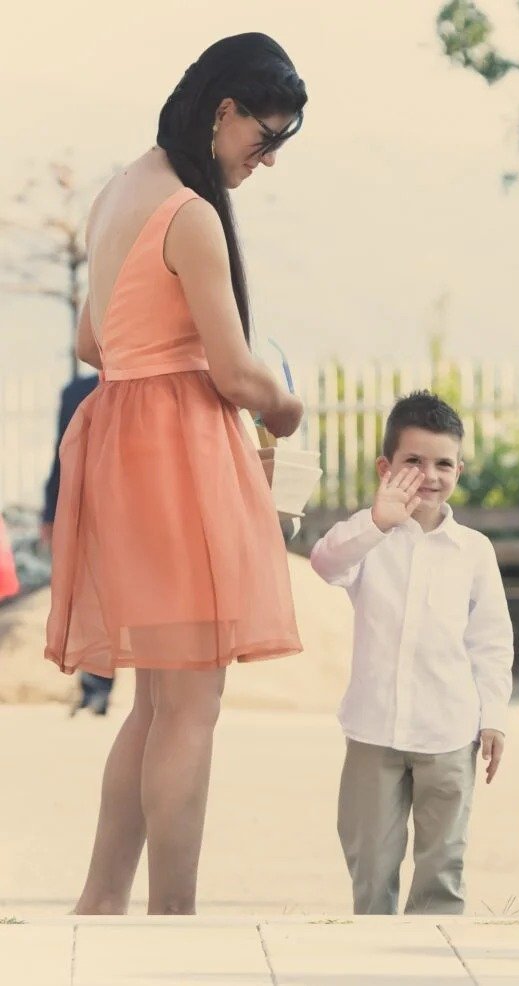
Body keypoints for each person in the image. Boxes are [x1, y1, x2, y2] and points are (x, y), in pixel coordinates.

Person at [44, 33, 307, 916]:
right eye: (265, 138)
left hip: (120, 443)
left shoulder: (122, 188)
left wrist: (156, 350)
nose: (266, 159)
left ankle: (102, 903)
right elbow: (235, 375)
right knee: (192, 707)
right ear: (224, 112)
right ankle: (174, 920)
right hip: (175, 457)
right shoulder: (191, 215)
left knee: (156, 705)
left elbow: (92, 341)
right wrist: (286, 408)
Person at [311, 391, 515, 915]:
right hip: (372, 728)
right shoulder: (366, 537)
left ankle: (433, 947)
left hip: (449, 731)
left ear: (459, 470)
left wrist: (493, 716)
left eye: (443, 463)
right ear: (386, 467)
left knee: (442, 862)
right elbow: (326, 564)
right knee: (370, 859)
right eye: (414, 461)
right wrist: (377, 522)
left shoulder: (474, 551)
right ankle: (373, 946)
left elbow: (491, 641)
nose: (429, 475)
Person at [41, 373, 114, 715]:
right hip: (94, 509)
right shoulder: (76, 392)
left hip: (124, 507)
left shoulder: (145, 383)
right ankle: (96, 688)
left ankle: (101, 688)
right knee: (96, 601)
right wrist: (50, 512)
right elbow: (62, 454)